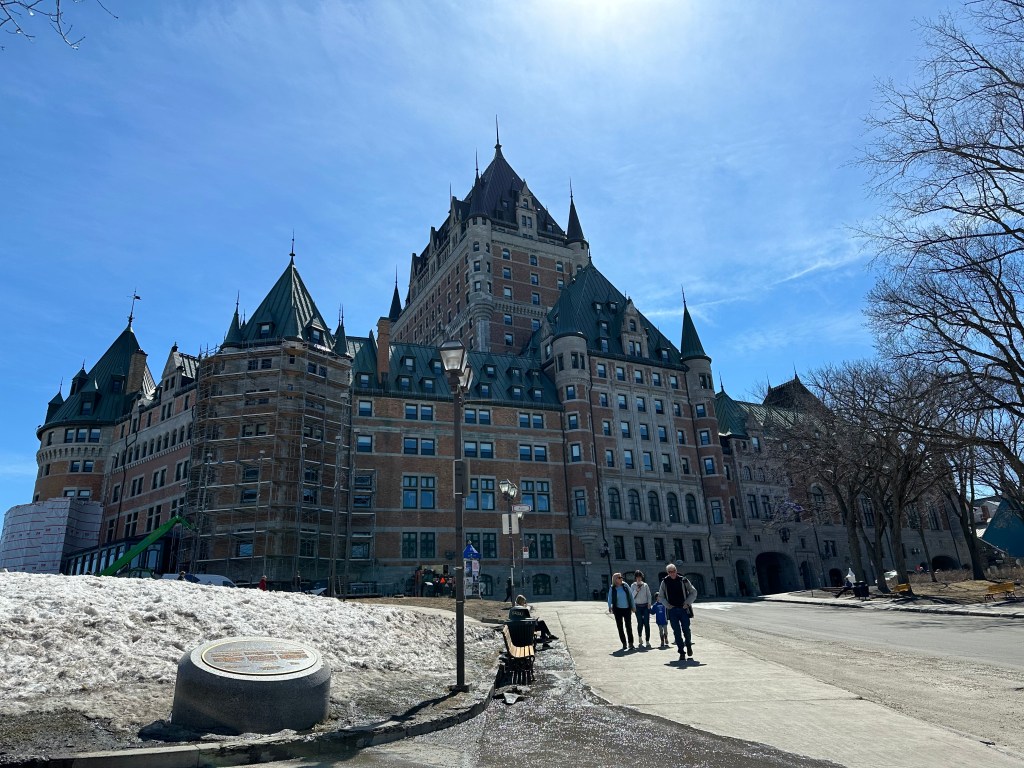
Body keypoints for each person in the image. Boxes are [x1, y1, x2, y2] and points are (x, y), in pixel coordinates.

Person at [657, 563, 697, 661]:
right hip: (672, 610)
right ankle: (681, 652)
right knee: (677, 632)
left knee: (686, 630)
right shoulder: (665, 582)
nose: (672, 573)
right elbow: (661, 596)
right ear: (667, 573)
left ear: (676, 570)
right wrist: (667, 605)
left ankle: (688, 645)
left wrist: (688, 603)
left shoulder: (683, 580)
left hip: (684, 609)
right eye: (670, 572)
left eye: (673, 571)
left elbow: (693, 592)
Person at [607, 572, 636, 650]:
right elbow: (609, 597)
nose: (621, 579)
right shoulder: (612, 588)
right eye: (619, 577)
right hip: (617, 609)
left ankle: (631, 643)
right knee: (620, 627)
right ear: (615, 579)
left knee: (628, 626)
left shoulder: (625, 585)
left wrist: (633, 606)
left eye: (621, 577)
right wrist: (609, 606)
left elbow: (631, 596)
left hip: (627, 608)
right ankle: (624, 643)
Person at [631, 570, 653, 647]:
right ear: (635, 578)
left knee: (646, 623)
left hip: (645, 606)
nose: (639, 578)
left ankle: (647, 640)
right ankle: (640, 636)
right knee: (640, 622)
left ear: (642, 577)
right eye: (637, 577)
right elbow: (631, 596)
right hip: (637, 607)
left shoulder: (645, 585)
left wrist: (649, 603)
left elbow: (649, 595)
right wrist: (636, 591)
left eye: (640, 577)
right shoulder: (633, 585)